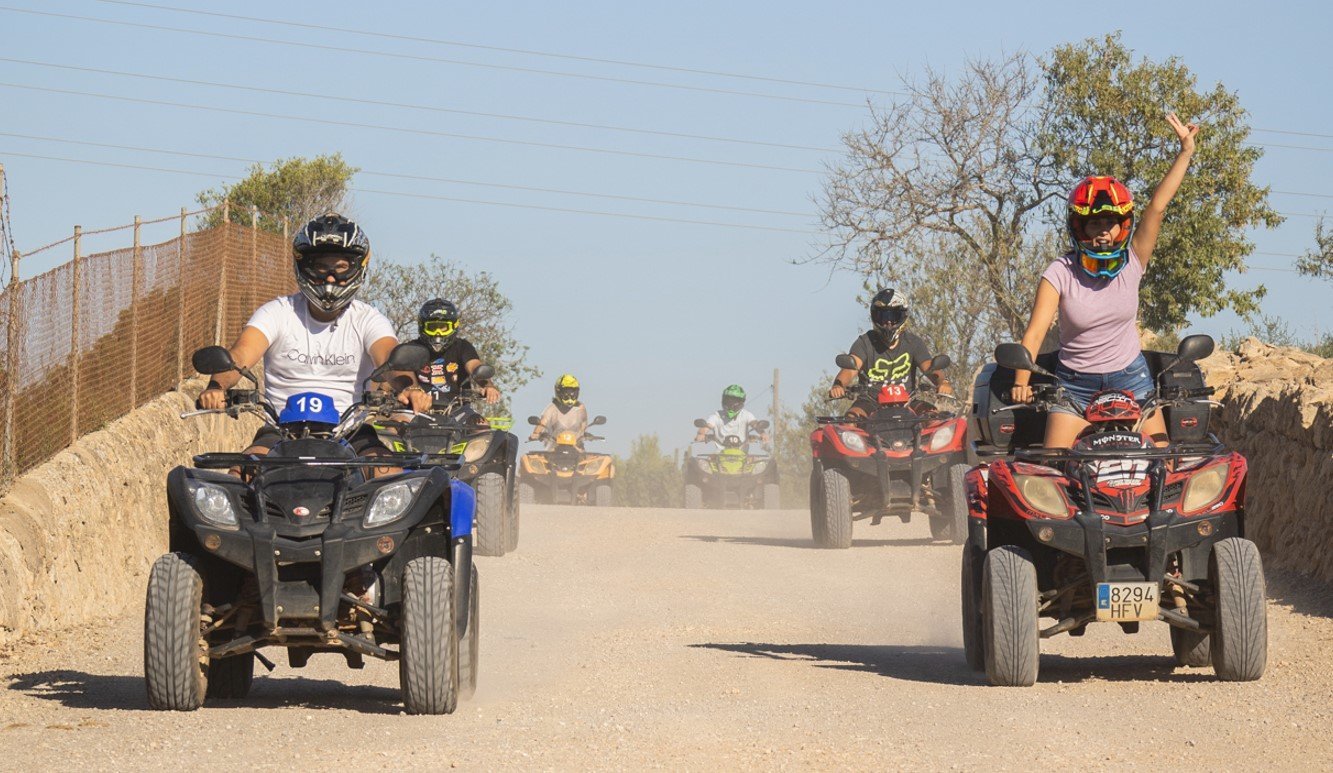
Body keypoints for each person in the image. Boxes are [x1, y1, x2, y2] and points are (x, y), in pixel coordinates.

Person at [1009, 113, 1199, 449]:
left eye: (1110, 222)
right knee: (1056, 466)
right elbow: (1035, 332)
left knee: (1162, 463)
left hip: (1132, 380)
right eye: (1094, 224)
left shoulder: (1134, 261)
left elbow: (1156, 207)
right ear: (1079, 228)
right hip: (1075, 388)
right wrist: (1021, 380)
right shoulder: (1059, 272)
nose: (1103, 232)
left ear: (1122, 226)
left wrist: (1185, 151)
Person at [197, 213, 429, 461]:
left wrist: (410, 387)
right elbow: (240, 354)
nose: (331, 278)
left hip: (351, 433)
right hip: (279, 433)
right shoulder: (277, 312)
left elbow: (389, 358)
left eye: (340, 267)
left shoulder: (368, 319)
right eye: (321, 267)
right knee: (242, 471)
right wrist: (216, 386)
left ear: (358, 268)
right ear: (304, 266)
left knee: (388, 472)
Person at [828, 288, 953, 418]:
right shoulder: (865, 343)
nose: (888, 322)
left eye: (893, 316)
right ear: (874, 316)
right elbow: (850, 369)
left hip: (908, 402)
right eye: (882, 316)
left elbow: (930, 368)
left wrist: (943, 383)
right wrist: (838, 385)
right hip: (870, 402)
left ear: (903, 316)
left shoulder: (913, 342)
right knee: (850, 419)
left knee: (934, 417)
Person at [413, 298, 501, 406]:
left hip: (459, 411)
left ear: (454, 326)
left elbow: (474, 366)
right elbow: (398, 373)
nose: (438, 333)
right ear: (422, 326)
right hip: (415, 411)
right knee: (396, 421)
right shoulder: (411, 349)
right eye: (433, 327)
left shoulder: (463, 346)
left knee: (481, 423)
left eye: (443, 327)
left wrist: (488, 386)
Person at [695, 385, 769, 445]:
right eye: (729, 401)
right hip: (719, 457)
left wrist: (763, 433)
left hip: (743, 457)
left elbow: (755, 424)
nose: (731, 404)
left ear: (741, 402)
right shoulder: (717, 416)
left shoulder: (746, 415)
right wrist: (701, 434)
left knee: (763, 463)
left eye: (735, 401)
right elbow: (706, 427)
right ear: (723, 400)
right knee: (699, 463)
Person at [529, 374, 588, 448]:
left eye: (573, 392)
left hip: (577, 449)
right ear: (559, 392)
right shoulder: (552, 408)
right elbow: (542, 423)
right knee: (527, 459)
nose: (570, 395)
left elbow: (583, 427)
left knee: (605, 459)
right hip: (553, 450)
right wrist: (536, 433)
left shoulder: (580, 408)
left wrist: (585, 435)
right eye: (567, 392)